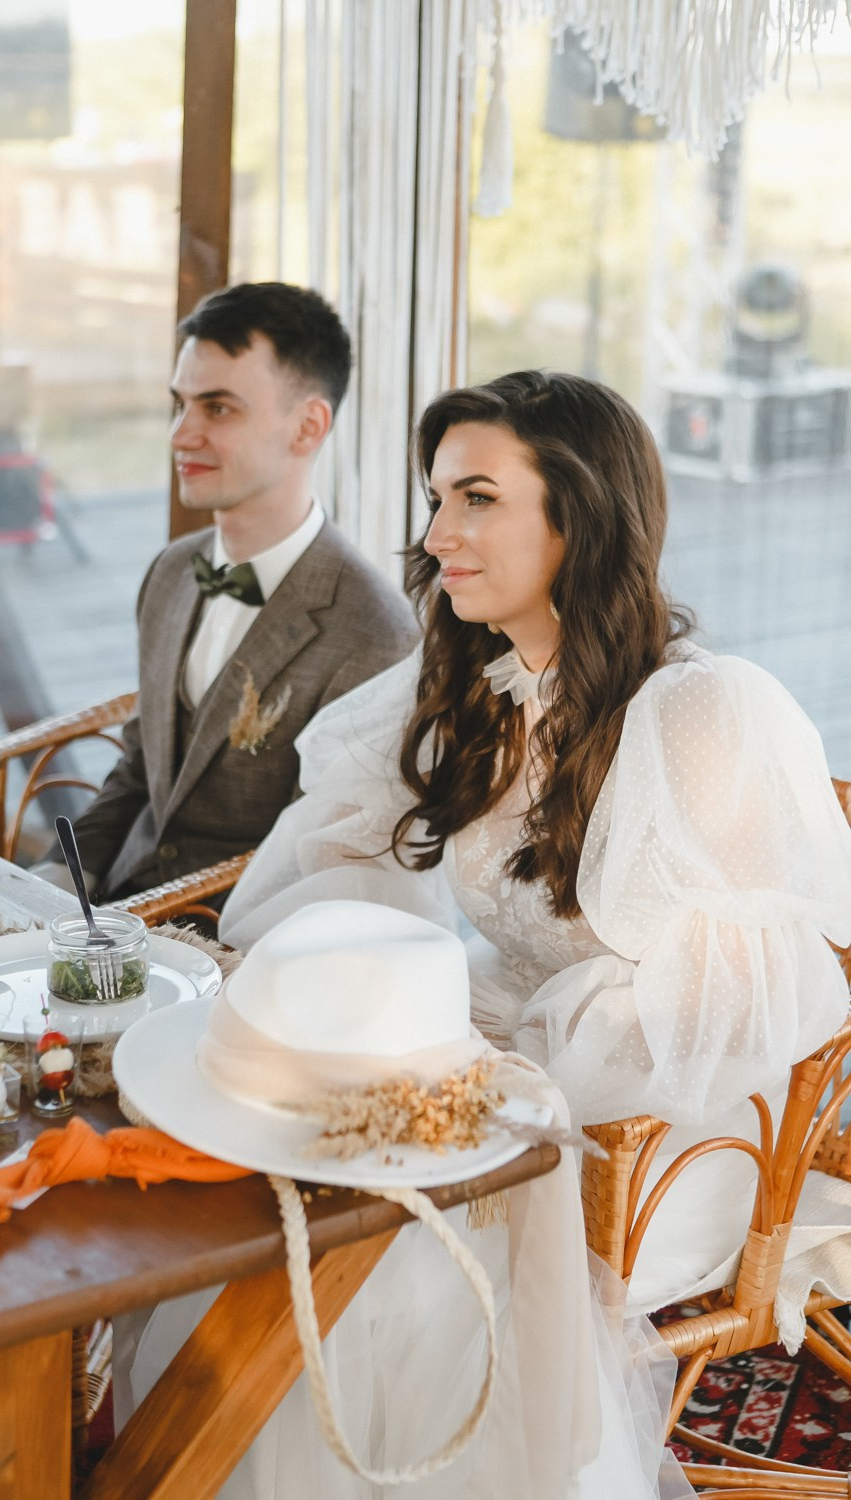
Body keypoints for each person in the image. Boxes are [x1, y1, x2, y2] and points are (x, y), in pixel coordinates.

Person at [209, 369, 851, 1494]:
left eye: (476, 499)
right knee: (266, 1173)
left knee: (388, 1254)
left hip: (669, 1129)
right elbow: (343, 844)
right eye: (434, 499)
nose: (436, 536)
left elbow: (738, 1017)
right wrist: (345, 990)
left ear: (580, 514)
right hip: (505, 1059)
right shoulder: (481, 676)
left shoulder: (700, 713)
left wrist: (503, 1085)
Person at [38, 282, 417, 902]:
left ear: (307, 426)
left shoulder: (376, 634)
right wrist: (59, 875)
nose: (181, 435)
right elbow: (141, 767)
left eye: (217, 408)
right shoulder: (170, 572)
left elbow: (318, 864)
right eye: (180, 404)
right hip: (113, 909)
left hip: (239, 944)